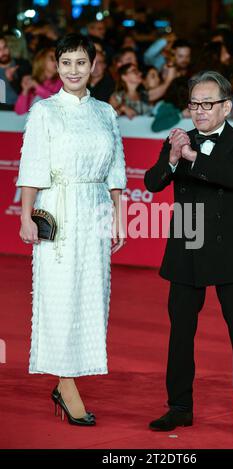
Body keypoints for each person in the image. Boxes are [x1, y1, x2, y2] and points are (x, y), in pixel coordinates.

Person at [144, 70, 233, 437]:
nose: (199, 111)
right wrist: (172, 156)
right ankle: (179, 406)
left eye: (207, 104)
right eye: (194, 104)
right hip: (187, 242)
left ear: (226, 107)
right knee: (181, 332)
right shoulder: (178, 140)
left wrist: (191, 155)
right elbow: (152, 183)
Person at [16, 33, 126, 426]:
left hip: (94, 211)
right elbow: (32, 166)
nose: (74, 70)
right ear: (56, 66)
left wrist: (119, 214)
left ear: (93, 66)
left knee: (91, 297)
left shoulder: (106, 113)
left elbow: (115, 170)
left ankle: (71, 377)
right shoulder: (44, 111)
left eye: (81, 62)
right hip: (58, 210)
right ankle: (66, 383)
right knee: (60, 296)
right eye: (66, 63)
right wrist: (26, 216)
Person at [14, 47, 62, 115]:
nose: (57, 62)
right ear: (42, 61)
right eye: (52, 58)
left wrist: (37, 87)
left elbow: (56, 102)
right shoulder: (33, 82)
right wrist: (25, 90)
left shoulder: (62, 82)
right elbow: (20, 112)